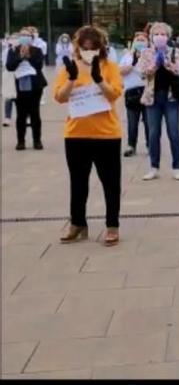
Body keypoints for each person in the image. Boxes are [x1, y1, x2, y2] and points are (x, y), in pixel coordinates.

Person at [54, 25, 124, 246]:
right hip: (76, 134)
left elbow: (115, 94)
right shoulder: (69, 68)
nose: (88, 51)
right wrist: (72, 80)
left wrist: (99, 79)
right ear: (78, 47)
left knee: (111, 182)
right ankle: (77, 223)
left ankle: (112, 226)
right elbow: (60, 97)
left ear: (100, 47)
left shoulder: (109, 66)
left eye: (93, 48)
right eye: (84, 48)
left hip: (107, 135)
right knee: (78, 182)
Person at [137, 22, 179, 181]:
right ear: (151, 37)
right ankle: (154, 167)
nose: (160, 37)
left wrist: (165, 60)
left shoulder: (175, 51)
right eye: (156, 34)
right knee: (153, 134)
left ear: (168, 36)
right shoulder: (146, 53)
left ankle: (177, 167)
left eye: (163, 34)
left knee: (173, 132)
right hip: (152, 97)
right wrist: (154, 64)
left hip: (171, 97)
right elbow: (143, 73)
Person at [5, 27, 47, 150]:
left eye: (27, 35)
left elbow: (39, 66)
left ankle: (37, 140)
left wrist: (28, 56)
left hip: (35, 85)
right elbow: (9, 67)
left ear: (32, 38)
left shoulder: (37, 50)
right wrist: (20, 57)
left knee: (35, 113)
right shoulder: (13, 50)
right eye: (22, 35)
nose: (24, 37)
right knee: (21, 115)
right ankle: (21, 141)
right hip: (19, 86)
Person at [119, 32, 150, 157]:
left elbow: (151, 73)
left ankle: (150, 145)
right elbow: (120, 71)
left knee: (149, 122)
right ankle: (131, 145)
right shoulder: (127, 56)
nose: (140, 42)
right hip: (132, 92)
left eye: (143, 40)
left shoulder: (150, 56)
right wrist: (133, 62)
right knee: (132, 121)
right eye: (138, 39)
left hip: (147, 91)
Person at [2, 33, 16, 127]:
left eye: (16, 38)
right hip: (8, 74)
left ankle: (26, 117)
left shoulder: (23, 50)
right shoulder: (6, 50)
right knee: (8, 97)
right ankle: (7, 118)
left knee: (23, 98)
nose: (14, 40)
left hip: (20, 74)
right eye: (12, 38)